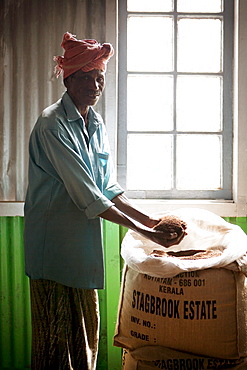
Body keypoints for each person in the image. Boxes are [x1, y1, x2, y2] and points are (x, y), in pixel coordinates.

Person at [24, 32, 186, 370]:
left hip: (79, 251)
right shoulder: (52, 124)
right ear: (68, 78)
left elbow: (109, 187)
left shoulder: (94, 122)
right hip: (53, 247)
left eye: (99, 77)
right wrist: (149, 234)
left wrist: (153, 221)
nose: (95, 84)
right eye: (86, 77)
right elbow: (88, 194)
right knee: (55, 343)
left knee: (85, 336)